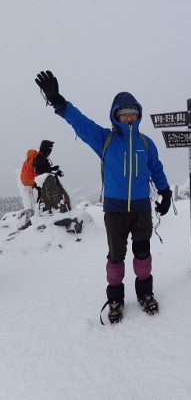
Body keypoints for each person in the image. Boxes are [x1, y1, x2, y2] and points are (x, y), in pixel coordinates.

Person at [35, 71, 172, 324]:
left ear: (138, 115)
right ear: (116, 116)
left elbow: (157, 168)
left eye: (133, 113)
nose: (129, 118)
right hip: (115, 210)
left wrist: (165, 192)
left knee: (143, 253)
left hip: (141, 208)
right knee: (116, 256)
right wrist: (58, 101)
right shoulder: (105, 139)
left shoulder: (146, 142)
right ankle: (116, 298)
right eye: (124, 114)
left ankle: (145, 293)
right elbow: (81, 122)